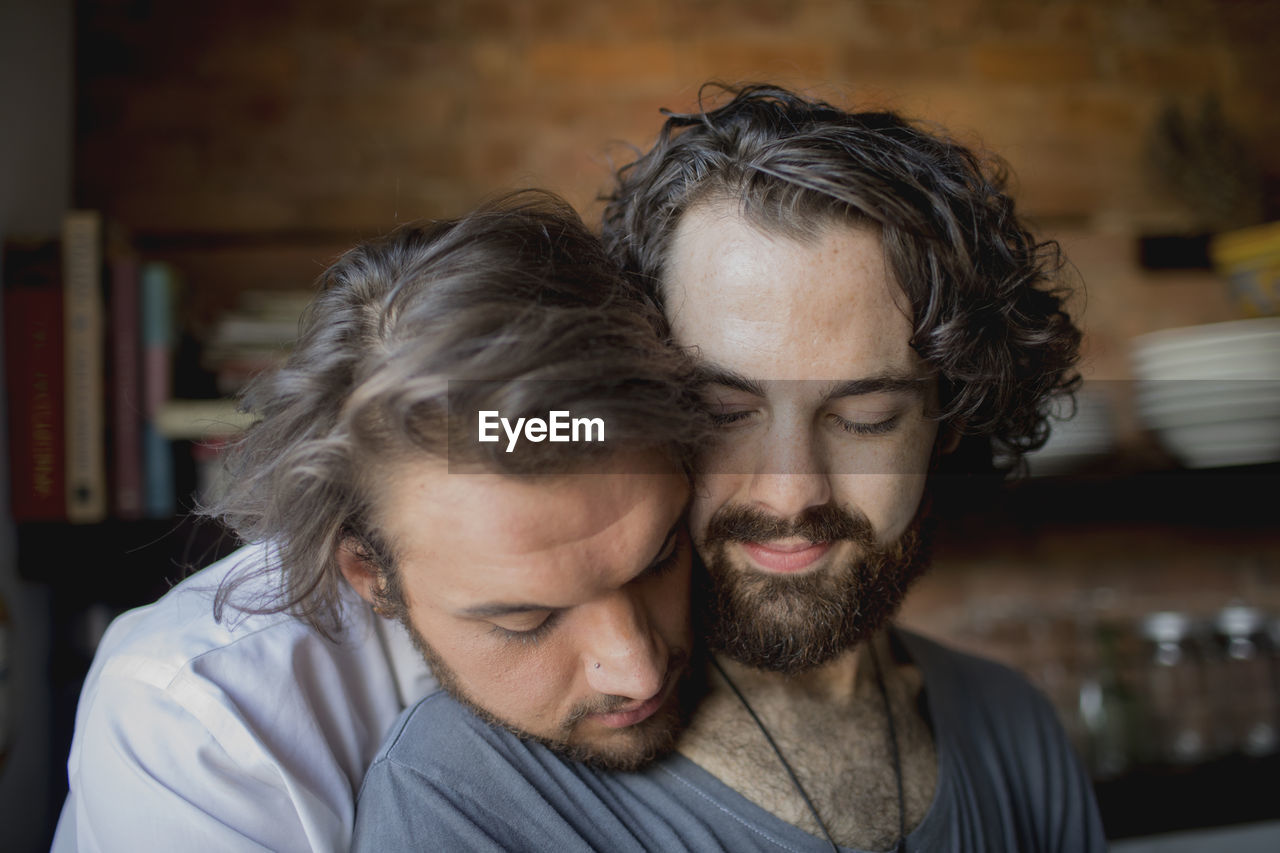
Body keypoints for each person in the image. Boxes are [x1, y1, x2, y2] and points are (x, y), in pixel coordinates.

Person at [352, 84, 1107, 851]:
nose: (789, 491)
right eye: (722, 412)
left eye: (865, 418)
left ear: (949, 423)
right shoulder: (465, 793)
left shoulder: (1013, 728)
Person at [52, 191, 708, 852]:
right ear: (368, 571)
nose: (640, 668)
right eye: (527, 618)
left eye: (659, 558)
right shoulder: (195, 727)